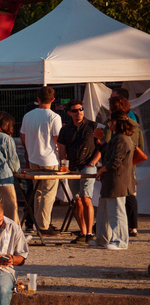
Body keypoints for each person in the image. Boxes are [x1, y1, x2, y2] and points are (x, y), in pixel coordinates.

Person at [18, 86, 63, 235]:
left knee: (37, 192)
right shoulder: (54, 117)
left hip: (33, 157)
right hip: (50, 159)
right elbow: (58, 139)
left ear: (38, 99)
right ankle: (43, 225)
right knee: (48, 193)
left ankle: (38, 222)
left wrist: (30, 149)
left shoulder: (28, 116)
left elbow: (23, 136)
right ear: (53, 100)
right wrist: (63, 158)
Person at [101, 94, 144, 239]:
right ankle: (133, 227)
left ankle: (120, 238)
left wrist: (102, 167)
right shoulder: (134, 123)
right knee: (129, 197)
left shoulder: (117, 135)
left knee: (116, 207)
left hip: (116, 171)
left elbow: (108, 149)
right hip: (128, 167)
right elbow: (141, 148)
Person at [95, 111, 136, 250]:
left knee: (117, 212)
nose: (108, 124)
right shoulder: (116, 137)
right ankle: (102, 238)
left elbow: (115, 162)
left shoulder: (122, 139)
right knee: (105, 210)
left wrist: (101, 169)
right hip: (110, 180)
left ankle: (120, 241)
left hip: (118, 180)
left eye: (110, 121)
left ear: (115, 122)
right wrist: (99, 141)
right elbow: (107, 154)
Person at [59, 101, 97, 243]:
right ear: (69, 113)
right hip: (73, 166)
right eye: (75, 110)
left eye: (81, 109)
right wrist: (64, 164)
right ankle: (83, 232)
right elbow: (61, 149)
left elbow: (101, 146)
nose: (79, 112)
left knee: (86, 198)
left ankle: (89, 233)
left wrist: (93, 163)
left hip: (88, 165)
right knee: (77, 200)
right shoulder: (65, 129)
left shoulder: (93, 126)